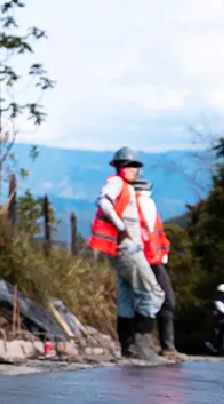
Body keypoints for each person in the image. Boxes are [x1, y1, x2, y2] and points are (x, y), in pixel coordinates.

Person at [88, 147, 165, 361]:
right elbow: (103, 201)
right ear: (120, 167)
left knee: (128, 296)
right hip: (128, 248)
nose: (133, 170)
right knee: (153, 293)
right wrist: (121, 226)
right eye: (129, 166)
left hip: (122, 248)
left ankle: (127, 347)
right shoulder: (116, 182)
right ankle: (143, 345)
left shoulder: (126, 187)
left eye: (135, 166)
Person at [132, 178, 181, 360]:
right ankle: (142, 347)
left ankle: (168, 347)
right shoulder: (133, 206)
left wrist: (163, 252)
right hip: (142, 261)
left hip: (156, 260)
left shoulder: (149, 206)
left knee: (167, 302)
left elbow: (157, 234)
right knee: (146, 302)